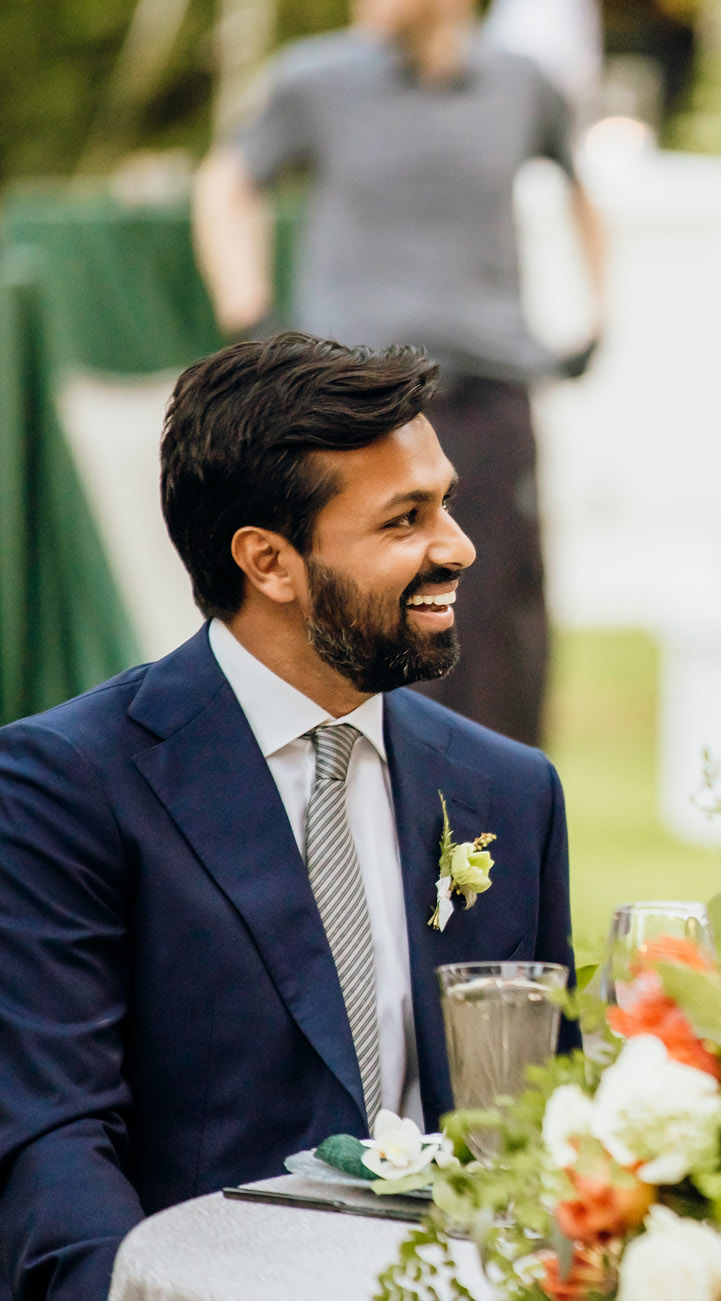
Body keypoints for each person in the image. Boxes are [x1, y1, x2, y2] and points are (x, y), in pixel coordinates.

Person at [0, 335, 576, 1301]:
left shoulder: (508, 792)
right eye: (406, 519)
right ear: (268, 560)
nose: (458, 546)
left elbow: (544, 1120)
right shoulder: (65, 784)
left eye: (442, 500)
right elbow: (54, 1145)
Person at [193, 0, 607, 748]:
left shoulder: (521, 83)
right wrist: (247, 317)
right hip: (355, 416)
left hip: (488, 396)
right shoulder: (314, 80)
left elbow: (583, 187)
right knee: (362, 612)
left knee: (497, 618)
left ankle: (492, 824)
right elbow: (225, 184)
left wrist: (595, 316)